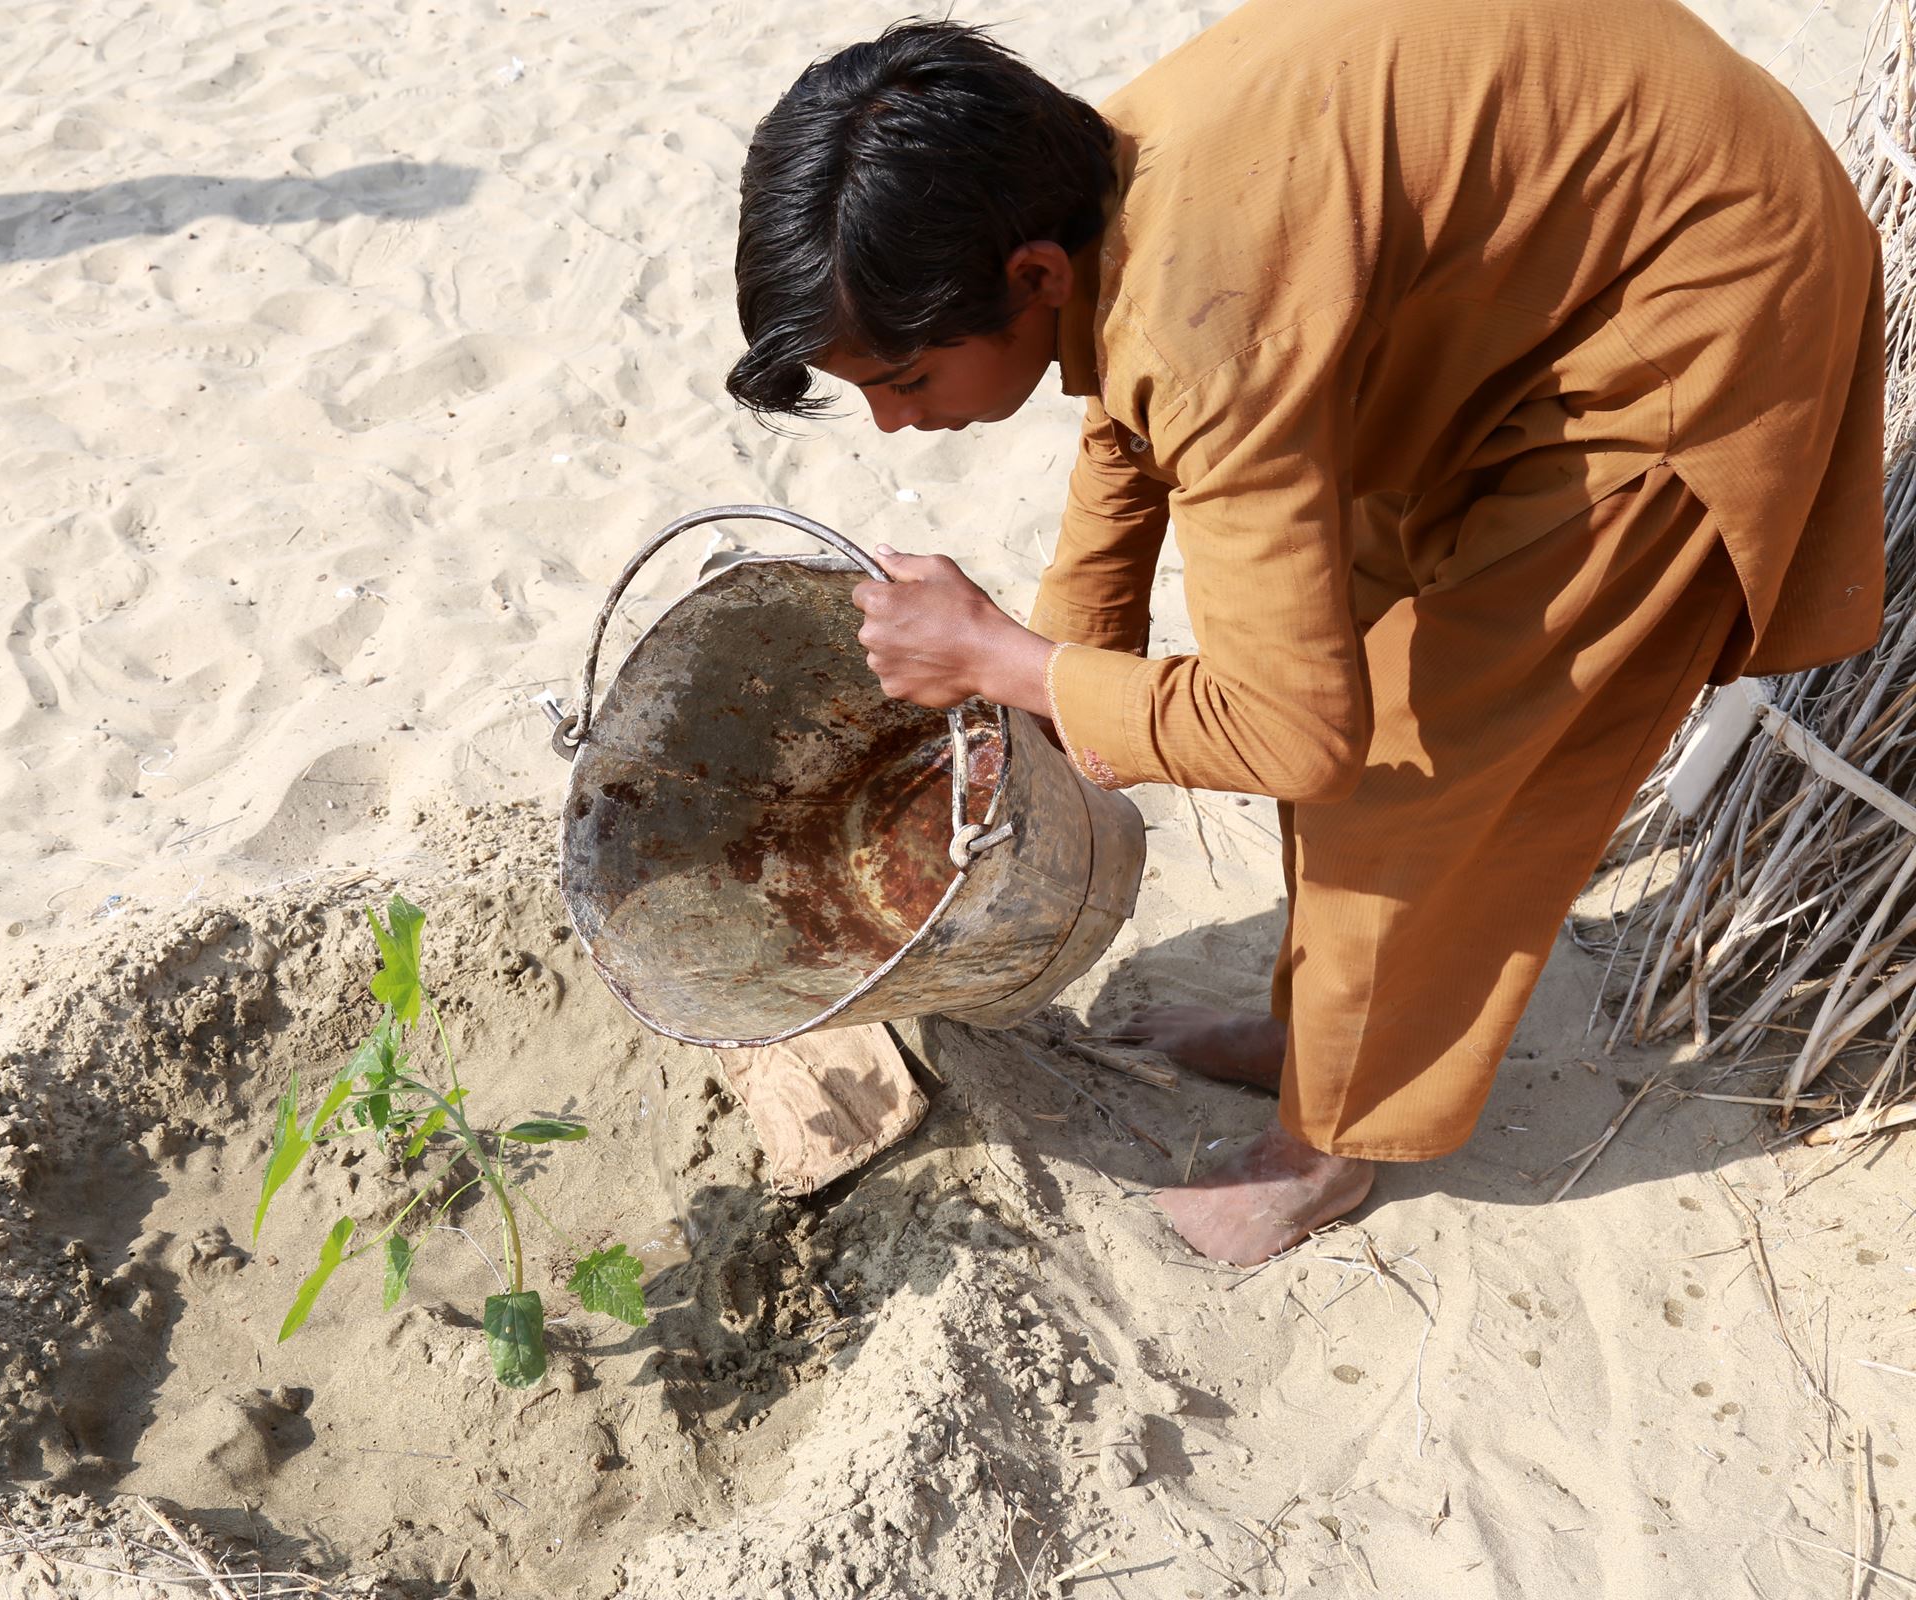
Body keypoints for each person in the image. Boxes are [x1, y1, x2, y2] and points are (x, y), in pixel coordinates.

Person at [724, 1, 1885, 1264]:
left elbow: (1300, 732)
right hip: (1555, 251)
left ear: (1034, 279)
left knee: (1411, 748)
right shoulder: (1083, 175)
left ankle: (1328, 1142)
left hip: (1697, 298)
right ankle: (1320, 1033)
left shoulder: (1198, 301)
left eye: (905, 380)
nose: (898, 426)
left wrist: (1014, 662)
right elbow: (1136, 417)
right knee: (1359, 610)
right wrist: (1060, 675)